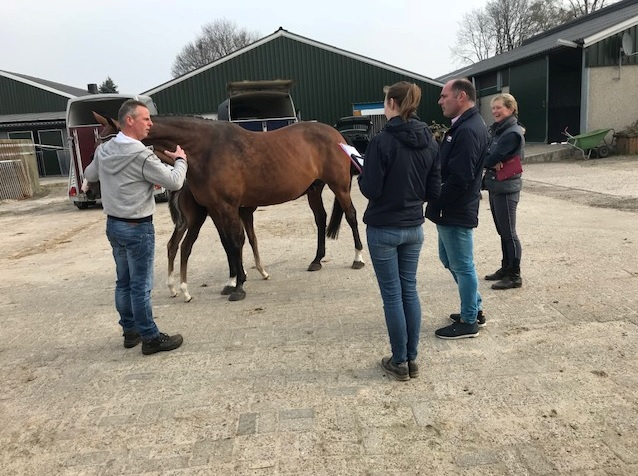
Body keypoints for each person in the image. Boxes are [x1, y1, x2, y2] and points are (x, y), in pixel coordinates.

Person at [84, 100, 188, 355]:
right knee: (140, 286)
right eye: (146, 119)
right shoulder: (141, 155)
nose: (151, 123)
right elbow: (175, 182)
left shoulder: (104, 150)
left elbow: (90, 174)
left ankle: (130, 332)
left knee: (124, 282)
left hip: (114, 225)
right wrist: (180, 160)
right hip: (138, 228)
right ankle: (150, 337)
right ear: (129, 120)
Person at [358, 81, 441, 381]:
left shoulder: (381, 141)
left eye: (385, 102)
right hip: (413, 227)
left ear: (392, 103)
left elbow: (371, 189)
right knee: (409, 290)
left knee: (393, 296)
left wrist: (362, 174)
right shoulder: (431, 141)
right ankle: (412, 358)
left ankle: (399, 360)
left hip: (384, 228)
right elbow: (433, 190)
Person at [425, 78, 489, 339]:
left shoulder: (468, 130)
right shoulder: (462, 126)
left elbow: (461, 178)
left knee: (462, 266)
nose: (440, 101)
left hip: (456, 209)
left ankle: (469, 320)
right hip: (450, 209)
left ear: (461, 96)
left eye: (444, 96)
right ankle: (475, 308)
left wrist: (434, 197)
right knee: (449, 260)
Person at [481, 93, 524, 290]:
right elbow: (486, 154)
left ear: (511, 109)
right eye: (493, 108)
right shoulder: (499, 130)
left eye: (499, 107)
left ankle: (514, 275)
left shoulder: (511, 133)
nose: (494, 111)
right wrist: (489, 160)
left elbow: (489, 158)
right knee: (502, 231)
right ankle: (505, 268)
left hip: (506, 188)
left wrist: (489, 160)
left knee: (509, 232)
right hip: (496, 186)